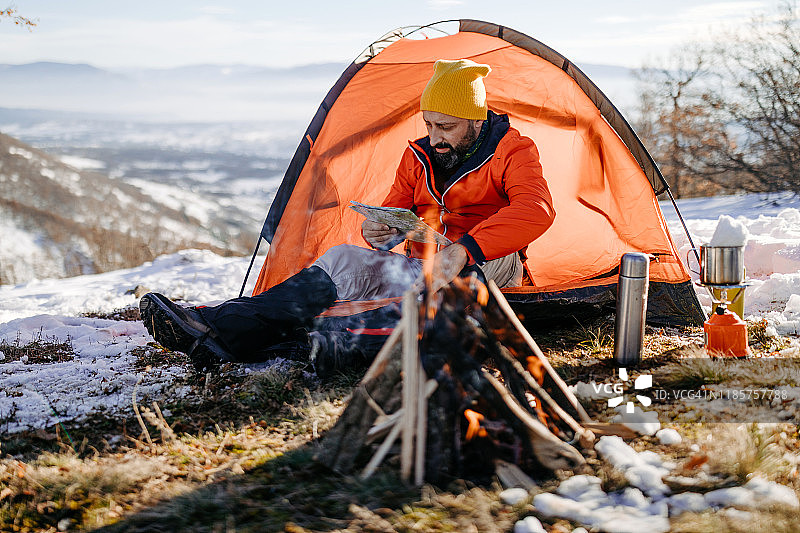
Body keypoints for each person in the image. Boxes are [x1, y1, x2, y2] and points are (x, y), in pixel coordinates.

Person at [140, 59, 555, 375]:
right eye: (428, 124)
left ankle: (323, 344)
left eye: (445, 127)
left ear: (475, 119)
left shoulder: (514, 151)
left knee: (462, 279)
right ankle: (216, 328)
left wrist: (465, 251)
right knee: (342, 258)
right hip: (420, 266)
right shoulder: (419, 155)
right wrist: (380, 231)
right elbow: (396, 211)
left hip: (487, 266)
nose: (434, 136)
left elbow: (536, 210)